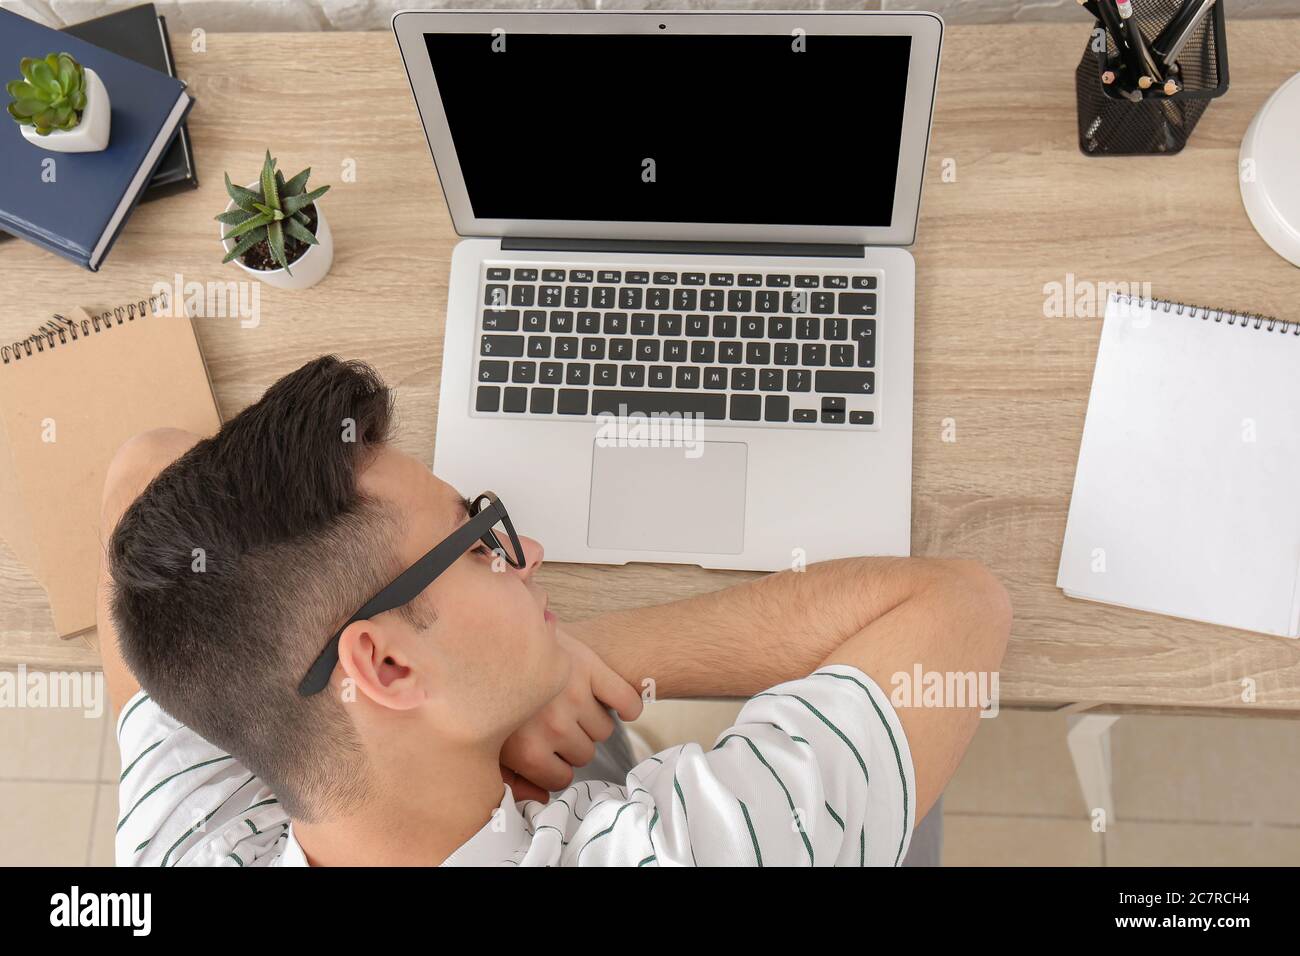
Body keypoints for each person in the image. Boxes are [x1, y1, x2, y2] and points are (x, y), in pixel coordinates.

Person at [100, 356, 1010, 867]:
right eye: (479, 541)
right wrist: (568, 657)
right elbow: (960, 604)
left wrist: (491, 676)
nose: (526, 555)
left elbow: (144, 467)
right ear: (388, 668)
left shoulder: (189, 845)